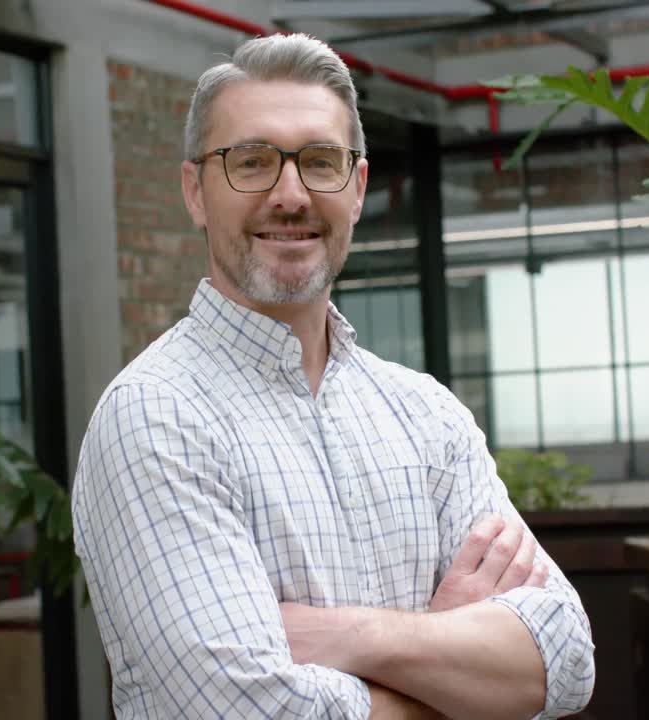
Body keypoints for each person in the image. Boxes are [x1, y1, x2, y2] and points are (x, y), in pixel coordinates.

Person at [72, 32, 594, 719]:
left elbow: (566, 662)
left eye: (319, 162)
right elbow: (247, 714)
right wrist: (447, 666)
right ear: (195, 192)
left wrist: (348, 635)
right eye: (251, 162)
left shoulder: (425, 414)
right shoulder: (154, 418)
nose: (290, 195)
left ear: (357, 189)